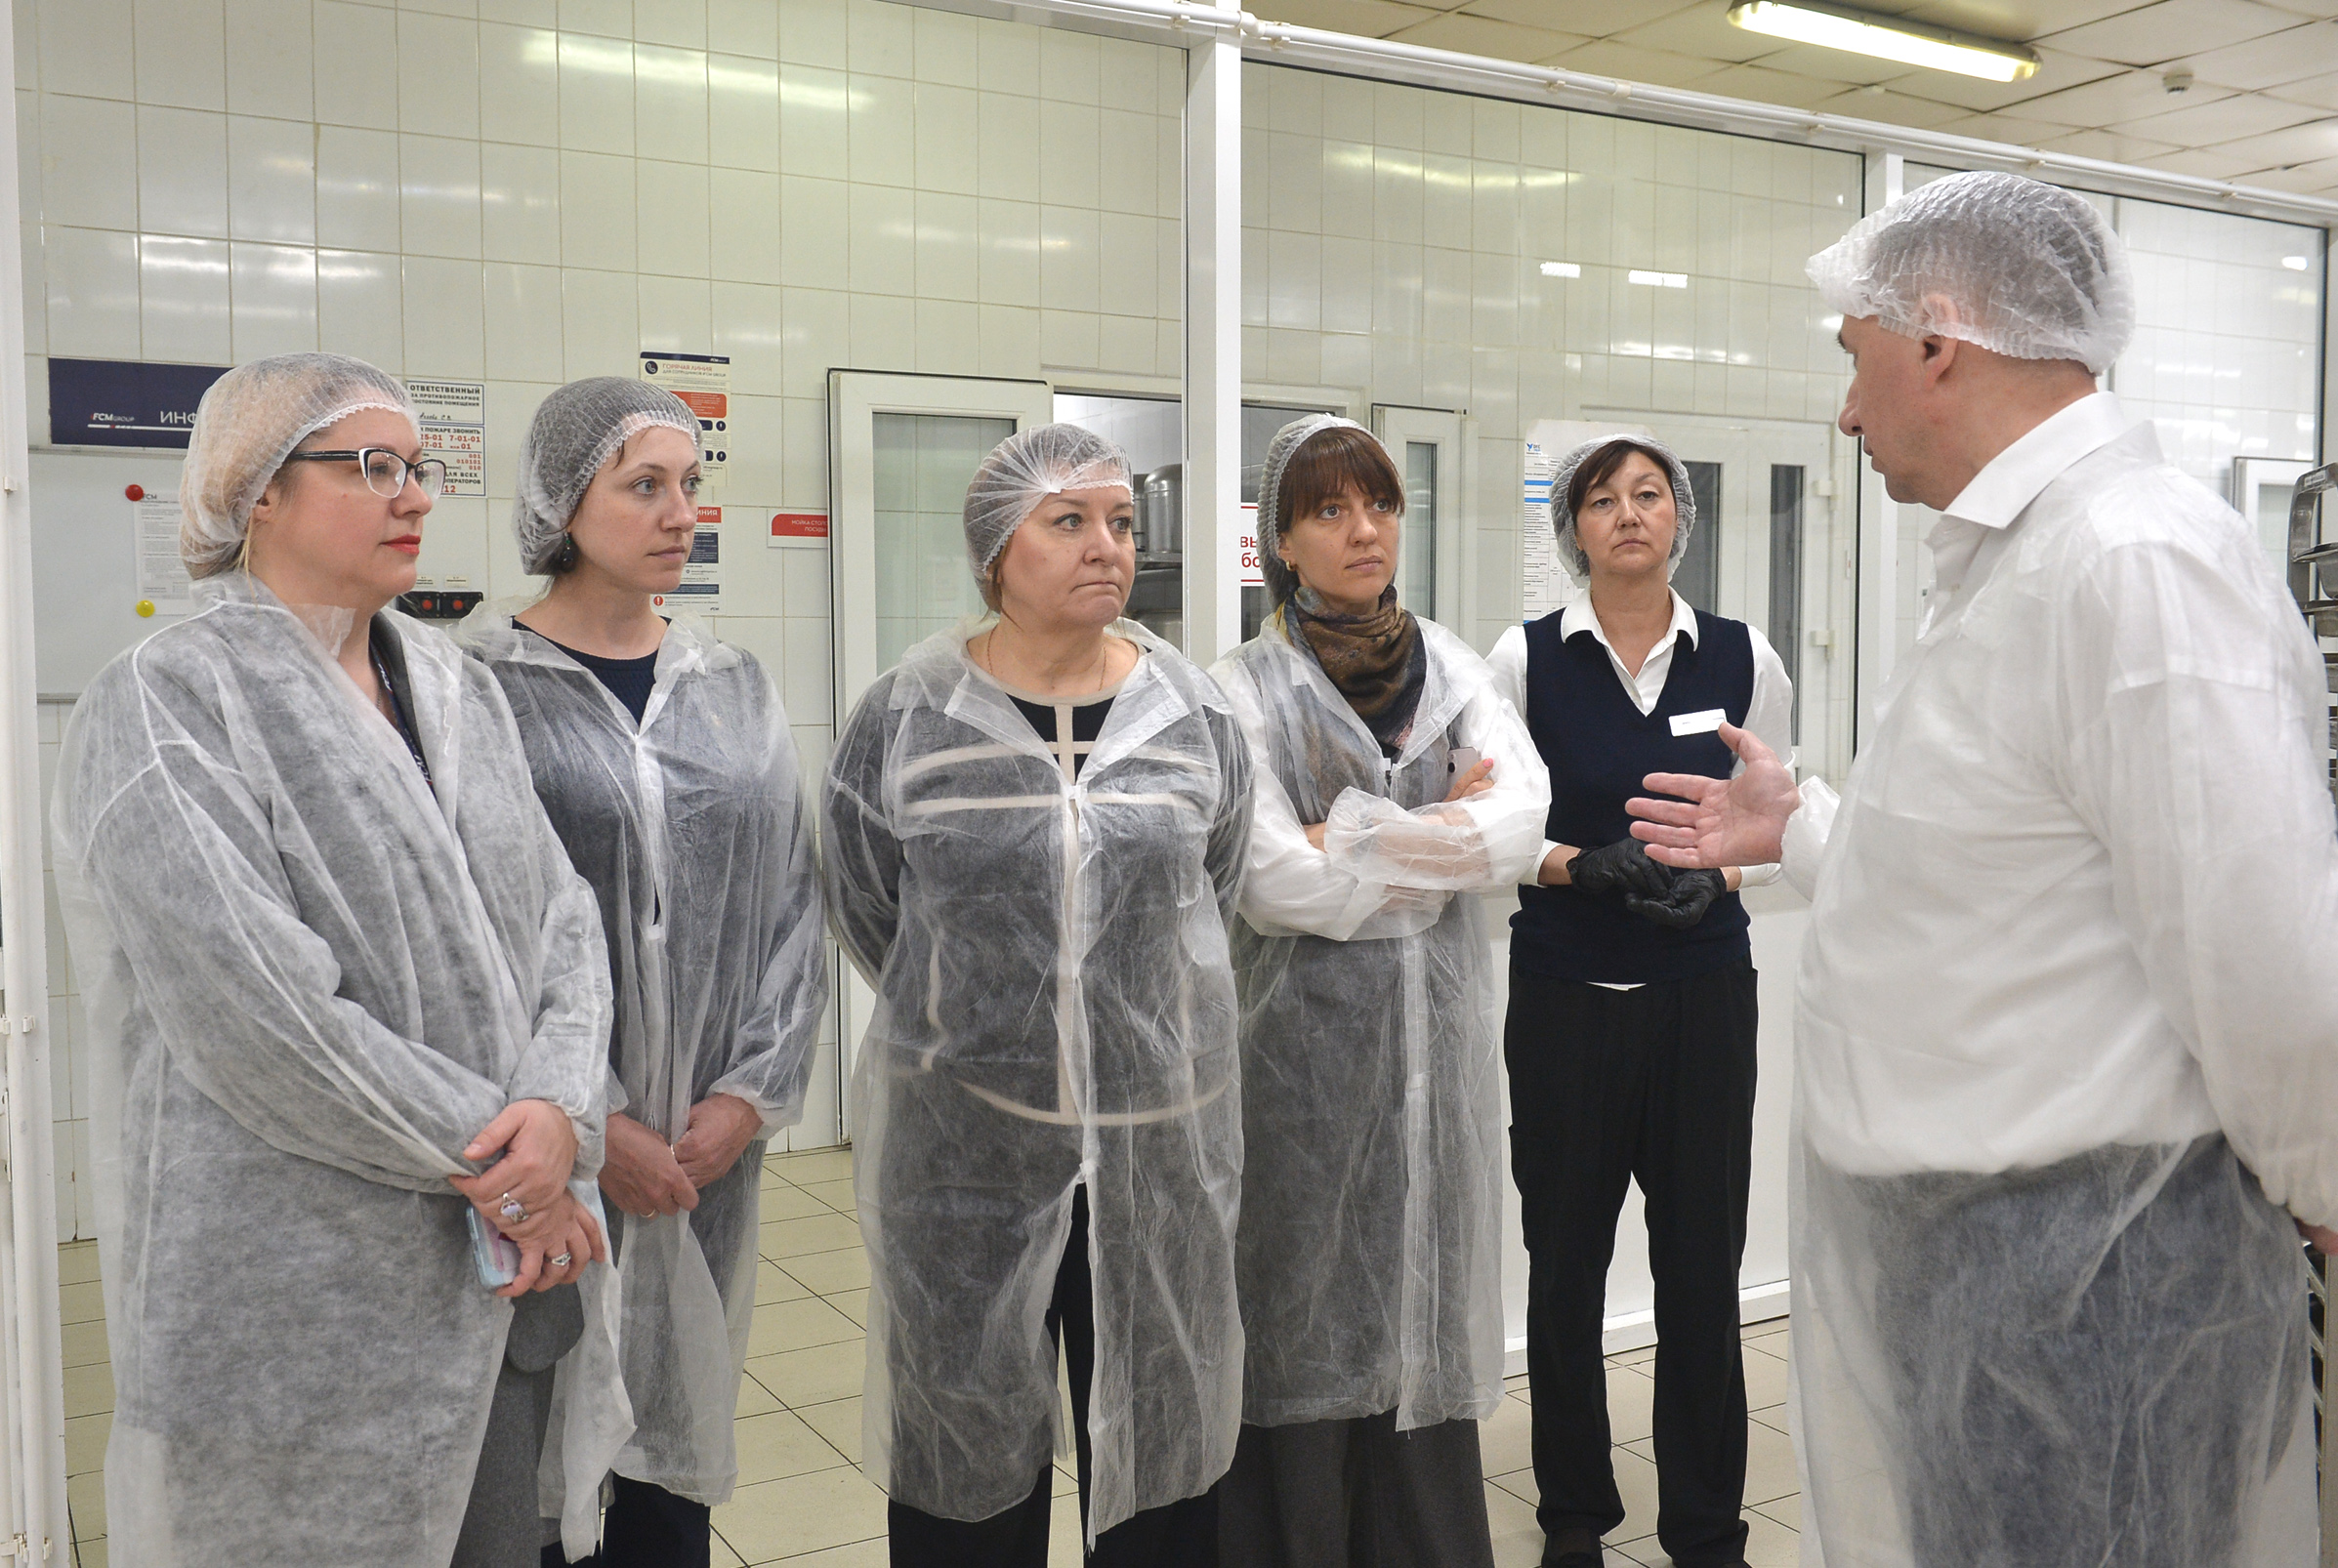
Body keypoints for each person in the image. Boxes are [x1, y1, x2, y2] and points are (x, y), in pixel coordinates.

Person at [1627, 170, 2338, 1566]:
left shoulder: (2131, 558)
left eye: (1856, 359)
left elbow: (2262, 946)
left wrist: (2325, 1180)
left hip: (2095, 1280)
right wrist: (1801, 824)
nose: (1846, 413)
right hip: (1996, 1275)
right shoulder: (2023, 561)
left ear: (1938, 337)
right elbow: (1985, 880)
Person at [47, 352, 628, 1568]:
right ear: (256, 490)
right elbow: (264, 1018)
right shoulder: (163, 703)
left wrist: (561, 1108)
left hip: (498, 1280)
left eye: (417, 467)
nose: (413, 495)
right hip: (299, 1309)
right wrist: (514, 1161)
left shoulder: (456, 689)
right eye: (370, 466)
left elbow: (564, 921)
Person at [822, 423, 1254, 1566]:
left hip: (1156, 1155)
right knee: (964, 1482)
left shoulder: (1195, 715)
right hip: (965, 1159)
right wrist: (991, 1024)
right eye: (1069, 521)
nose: (1107, 546)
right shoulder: (908, 716)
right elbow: (871, 908)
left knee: (1160, 1479)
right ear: (995, 553)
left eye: (1121, 521)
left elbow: (1209, 895)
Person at [461, 378, 829, 1566]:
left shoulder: (733, 687)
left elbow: (792, 904)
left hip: (705, 1159)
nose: (682, 514)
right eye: (645, 486)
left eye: (691, 485)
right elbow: (475, 939)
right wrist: (591, 1121)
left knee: (673, 1456)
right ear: (564, 506)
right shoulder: (479, 688)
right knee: (539, 1465)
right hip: (546, 1154)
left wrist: (749, 1095)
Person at [1208, 415, 1549, 1567]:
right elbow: (1272, 882)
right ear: (1282, 541)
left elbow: (1522, 825)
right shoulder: (1241, 690)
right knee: (1301, 1324)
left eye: (1381, 505)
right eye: (1329, 510)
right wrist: (1444, 830)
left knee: (1422, 1333)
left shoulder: (1451, 667)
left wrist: (1347, 836)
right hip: (1296, 1075)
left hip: (1434, 1076)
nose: (1364, 531)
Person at [1482, 433, 1791, 1568]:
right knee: (1564, 1265)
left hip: (1702, 1000)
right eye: (1602, 498)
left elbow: (1777, 819)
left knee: (1702, 1268)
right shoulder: (1522, 660)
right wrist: (1576, 865)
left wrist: (1720, 877)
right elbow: (1492, 829)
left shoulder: (1743, 655)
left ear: (1679, 519)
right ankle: (1575, 1515)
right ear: (1573, 528)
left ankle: (1707, 1526)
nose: (1627, 514)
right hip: (1566, 998)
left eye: (1648, 494)